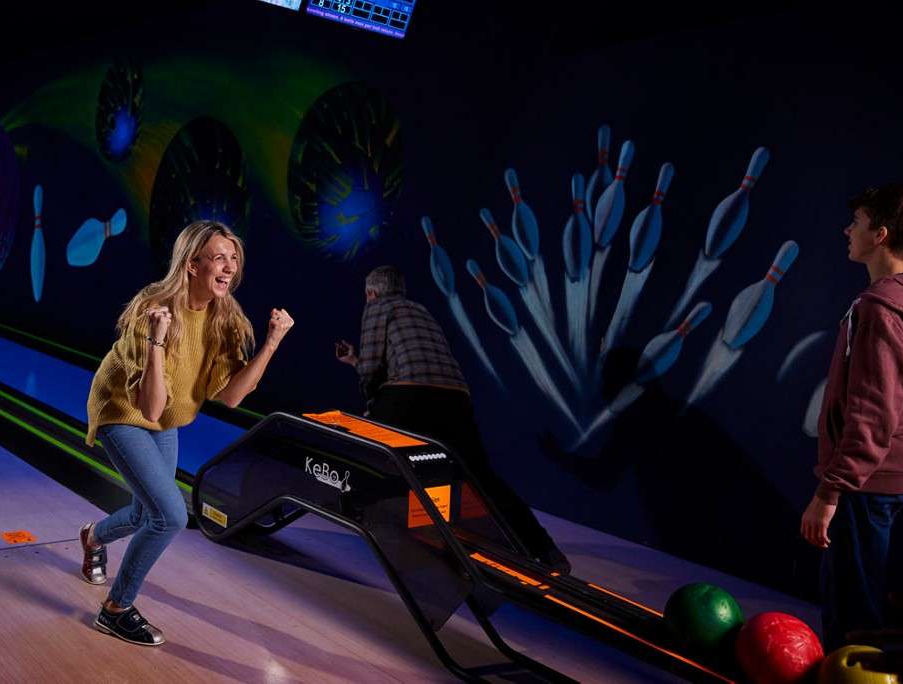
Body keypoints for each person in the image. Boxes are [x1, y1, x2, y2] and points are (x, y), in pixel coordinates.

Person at [79, 220, 294, 646]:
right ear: (193, 264)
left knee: (144, 514)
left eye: (234, 259)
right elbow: (149, 407)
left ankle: (93, 537)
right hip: (122, 409)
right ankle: (115, 609)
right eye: (219, 258)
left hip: (167, 418)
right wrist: (157, 342)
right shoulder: (152, 307)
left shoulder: (226, 318)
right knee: (170, 515)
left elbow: (231, 396)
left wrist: (272, 343)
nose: (229, 267)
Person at [335, 265, 570, 573]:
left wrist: (371, 401)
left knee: (370, 446)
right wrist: (354, 361)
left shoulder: (378, 307)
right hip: (455, 397)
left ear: (371, 292)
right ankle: (545, 549)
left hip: (409, 394)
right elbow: (414, 360)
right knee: (480, 476)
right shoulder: (421, 310)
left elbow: (371, 368)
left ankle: (354, 504)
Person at [801, 183, 903, 650]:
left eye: (856, 223)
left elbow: (872, 412)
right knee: (864, 593)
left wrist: (830, 491)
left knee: (852, 609)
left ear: (880, 235)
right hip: (898, 467)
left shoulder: (880, 309)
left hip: (866, 478)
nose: (848, 230)